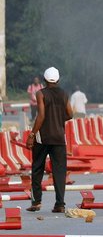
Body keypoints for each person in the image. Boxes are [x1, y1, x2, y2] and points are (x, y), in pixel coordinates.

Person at [25, 67, 72, 213]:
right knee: (59, 170)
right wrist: (58, 118)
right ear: (58, 80)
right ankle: (60, 204)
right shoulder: (64, 94)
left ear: (44, 80)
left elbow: (41, 116)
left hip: (42, 138)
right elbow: (70, 114)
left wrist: (32, 135)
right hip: (59, 138)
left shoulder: (41, 93)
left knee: (37, 168)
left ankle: (36, 202)